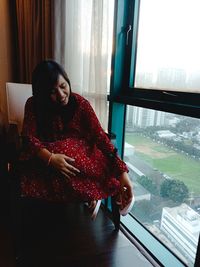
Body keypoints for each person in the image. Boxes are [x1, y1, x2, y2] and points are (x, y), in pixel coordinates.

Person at [19, 59, 133, 219]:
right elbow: (28, 137)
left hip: (82, 155)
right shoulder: (33, 105)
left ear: (68, 82)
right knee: (39, 167)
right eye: (52, 92)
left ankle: (95, 192)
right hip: (46, 154)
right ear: (42, 94)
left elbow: (100, 137)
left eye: (63, 86)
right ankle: (90, 192)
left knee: (68, 152)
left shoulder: (80, 104)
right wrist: (50, 158)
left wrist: (122, 172)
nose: (60, 95)